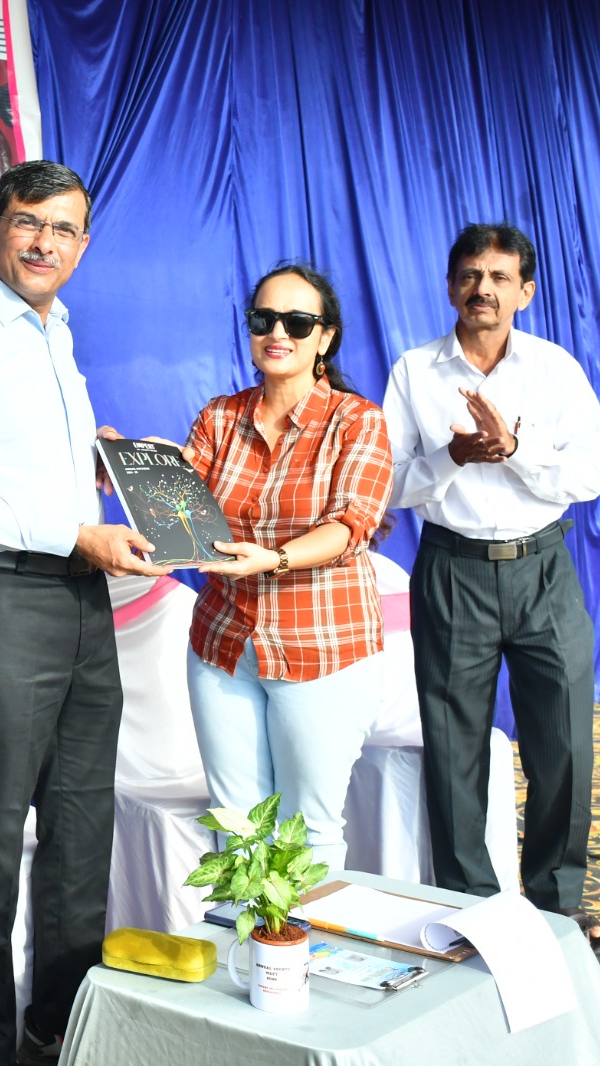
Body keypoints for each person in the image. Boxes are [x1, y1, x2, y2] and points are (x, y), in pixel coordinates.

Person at [0, 159, 167, 1066]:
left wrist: (100, 464)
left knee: (82, 826)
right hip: (1, 595)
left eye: (63, 230)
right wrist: (75, 530)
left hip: (78, 595)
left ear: (83, 246)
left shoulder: (54, 332)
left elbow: (17, 464)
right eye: (28, 223)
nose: (44, 243)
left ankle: (58, 1031)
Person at [383, 222, 600, 951]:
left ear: (525, 292)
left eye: (500, 277)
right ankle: (471, 911)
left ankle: (555, 904)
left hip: (544, 569)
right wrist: (451, 457)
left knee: (564, 745)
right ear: (451, 286)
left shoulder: (555, 370)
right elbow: (388, 484)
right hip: (453, 571)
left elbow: (590, 476)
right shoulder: (414, 372)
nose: (483, 289)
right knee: (455, 752)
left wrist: (514, 449)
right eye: (471, 275)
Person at [181, 263, 394, 871]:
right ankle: (250, 941)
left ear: (325, 337)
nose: (278, 333)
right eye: (264, 319)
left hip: (321, 646)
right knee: (237, 828)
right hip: (223, 643)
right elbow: (182, 497)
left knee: (308, 831)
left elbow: (352, 526)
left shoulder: (358, 421)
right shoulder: (220, 416)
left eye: (298, 322)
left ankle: (306, 940)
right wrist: (132, 461)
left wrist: (273, 559)